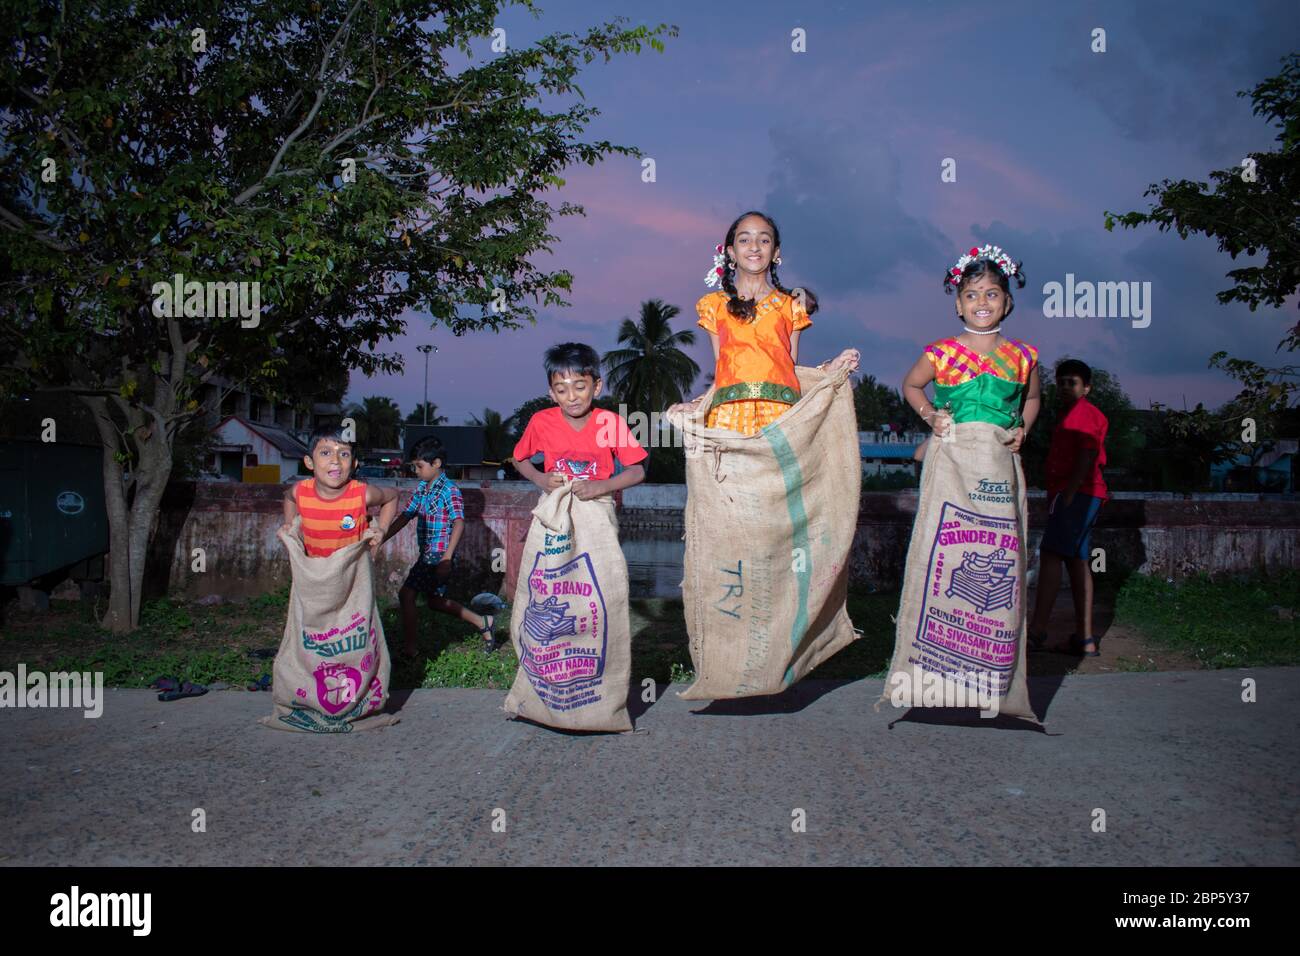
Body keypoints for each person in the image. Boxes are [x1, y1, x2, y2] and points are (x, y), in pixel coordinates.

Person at [668, 210, 859, 435]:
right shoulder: (714, 305)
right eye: (745, 239)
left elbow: (789, 367)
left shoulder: (791, 305)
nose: (755, 246)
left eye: (764, 239)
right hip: (729, 419)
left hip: (781, 418)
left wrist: (828, 371)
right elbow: (723, 371)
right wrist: (699, 404)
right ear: (731, 252)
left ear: (775, 252)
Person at [903, 245, 1041, 456]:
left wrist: (1023, 429)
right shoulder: (941, 354)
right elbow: (911, 385)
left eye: (992, 294)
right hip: (950, 457)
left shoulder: (1023, 356)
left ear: (1007, 303)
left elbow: (1032, 399)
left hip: (998, 459)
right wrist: (931, 417)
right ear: (959, 305)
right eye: (971, 296)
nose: (982, 302)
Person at [381, 437, 502, 657]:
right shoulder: (422, 488)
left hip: (438, 555)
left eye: (419, 466)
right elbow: (405, 516)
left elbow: (458, 522)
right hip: (427, 553)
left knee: (407, 595)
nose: (416, 471)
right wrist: (381, 537)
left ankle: (410, 649)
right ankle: (483, 621)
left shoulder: (450, 490)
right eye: (414, 466)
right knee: (435, 601)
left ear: (436, 464)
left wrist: (447, 557)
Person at [1028, 359, 1109, 657]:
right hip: (1077, 496)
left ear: (1086, 387)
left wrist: (1070, 494)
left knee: (1051, 556)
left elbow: (1087, 455)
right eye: (1061, 381)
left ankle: (1036, 631)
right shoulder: (1072, 414)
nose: (1064, 387)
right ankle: (1084, 639)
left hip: (1078, 495)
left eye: (1071, 382)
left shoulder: (1085, 414)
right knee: (1077, 561)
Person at [512, 342, 648, 496]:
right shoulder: (541, 421)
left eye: (580, 388)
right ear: (553, 394)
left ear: (596, 387)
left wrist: (600, 486)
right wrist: (539, 478)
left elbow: (637, 472)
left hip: (597, 506)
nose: (571, 397)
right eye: (561, 390)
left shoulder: (611, 423)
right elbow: (518, 459)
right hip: (555, 504)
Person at [282, 424, 398, 558]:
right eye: (325, 453)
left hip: (352, 572)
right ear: (309, 462)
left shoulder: (363, 494)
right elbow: (289, 497)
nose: (335, 461)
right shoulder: (300, 490)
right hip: (312, 572)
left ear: (353, 464)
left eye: (344, 454)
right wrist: (290, 525)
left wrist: (382, 529)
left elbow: (392, 496)